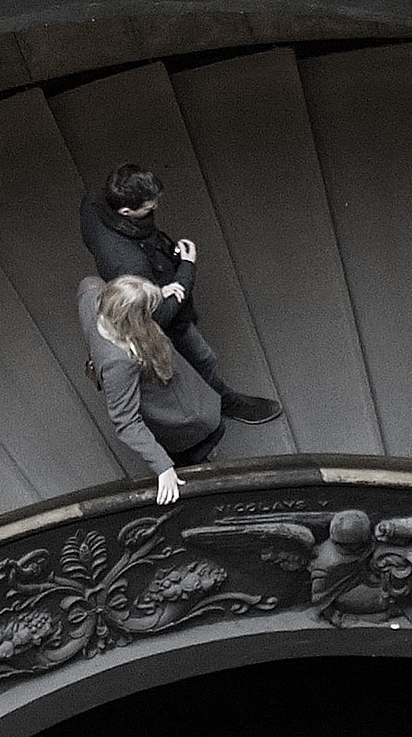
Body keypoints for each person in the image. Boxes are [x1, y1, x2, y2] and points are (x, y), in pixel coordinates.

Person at [82, 164, 282, 425]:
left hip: (144, 274)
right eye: (149, 208)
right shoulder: (128, 263)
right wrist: (187, 267)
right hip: (154, 314)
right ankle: (223, 403)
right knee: (202, 357)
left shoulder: (93, 201)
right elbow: (159, 316)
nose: (155, 207)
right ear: (126, 212)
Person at [85, 272, 227, 505]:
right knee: (207, 430)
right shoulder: (120, 362)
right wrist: (163, 467)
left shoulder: (92, 297)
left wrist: (157, 294)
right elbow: (126, 421)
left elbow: (88, 283)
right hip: (176, 409)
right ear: (133, 321)